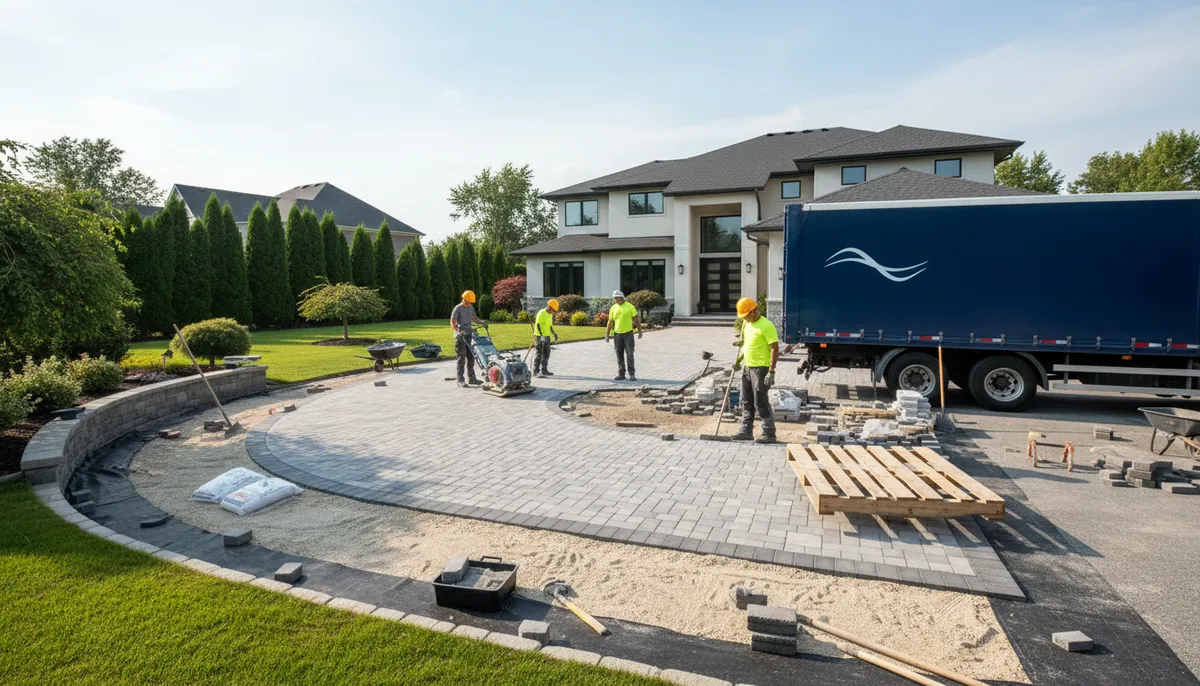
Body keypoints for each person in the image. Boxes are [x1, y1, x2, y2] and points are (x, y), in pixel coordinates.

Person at [732, 297, 778, 444]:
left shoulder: (767, 326)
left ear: (754, 311)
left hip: (761, 369)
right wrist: (739, 361)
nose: (744, 318)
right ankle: (746, 431)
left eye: (746, 315)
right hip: (748, 366)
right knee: (746, 400)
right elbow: (746, 344)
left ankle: (769, 433)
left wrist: (771, 371)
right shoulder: (747, 323)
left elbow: (775, 349)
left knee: (761, 401)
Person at [605, 290, 642, 381]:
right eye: (614, 298)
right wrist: (607, 334)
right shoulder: (613, 308)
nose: (616, 300)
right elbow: (610, 322)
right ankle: (621, 374)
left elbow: (636, 319)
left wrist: (640, 330)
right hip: (617, 334)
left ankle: (632, 374)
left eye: (617, 298)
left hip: (628, 333)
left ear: (621, 297)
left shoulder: (630, 307)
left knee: (629, 354)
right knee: (619, 354)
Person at [450, 290, 484, 387]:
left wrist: (482, 323)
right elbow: (452, 322)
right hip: (460, 336)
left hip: (469, 334)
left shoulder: (470, 307)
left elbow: (474, 318)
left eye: (470, 302)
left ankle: (472, 378)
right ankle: (460, 379)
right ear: (464, 299)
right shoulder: (458, 308)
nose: (469, 303)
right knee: (461, 357)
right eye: (468, 301)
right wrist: (457, 330)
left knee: (471, 356)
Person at [533, 299, 559, 378]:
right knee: (539, 353)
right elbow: (537, 325)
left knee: (547, 353)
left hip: (547, 336)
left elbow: (550, 325)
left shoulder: (550, 315)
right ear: (550, 307)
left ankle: (544, 370)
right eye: (553, 310)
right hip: (540, 336)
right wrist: (541, 336)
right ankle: (535, 371)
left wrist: (554, 333)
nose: (553, 312)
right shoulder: (541, 313)